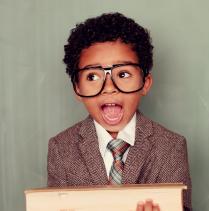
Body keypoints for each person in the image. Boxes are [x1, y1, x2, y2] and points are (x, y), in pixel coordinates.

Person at [47, 12, 192, 211]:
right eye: (92, 76)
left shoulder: (170, 147)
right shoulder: (61, 149)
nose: (109, 87)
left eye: (123, 74)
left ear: (145, 83)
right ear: (77, 89)